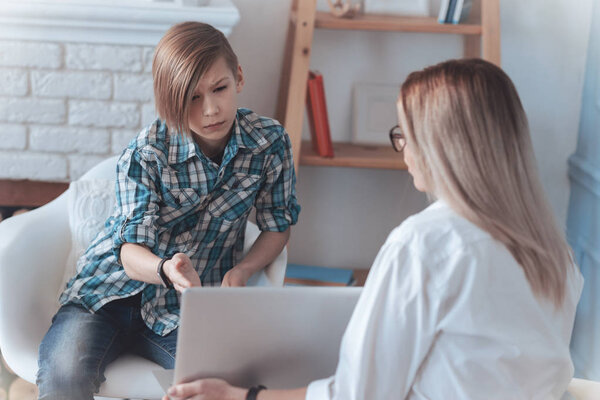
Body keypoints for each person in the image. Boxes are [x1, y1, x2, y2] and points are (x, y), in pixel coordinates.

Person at [163, 58, 583, 400]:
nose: (403, 150)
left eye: (405, 135)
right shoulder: (555, 254)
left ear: (441, 144)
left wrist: (240, 396)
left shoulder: (426, 243)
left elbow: (357, 395)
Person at [36, 21, 300, 400]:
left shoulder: (269, 143)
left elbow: (278, 225)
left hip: (186, 308)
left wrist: (242, 270)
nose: (210, 109)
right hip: (106, 297)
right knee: (62, 377)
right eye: (192, 98)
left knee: (230, 381)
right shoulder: (147, 152)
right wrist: (165, 269)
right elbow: (129, 254)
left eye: (219, 89)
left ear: (238, 76)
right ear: (170, 100)